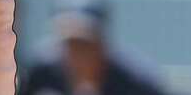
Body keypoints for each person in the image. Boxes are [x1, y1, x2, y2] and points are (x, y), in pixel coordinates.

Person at [19, 7, 166, 95]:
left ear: (101, 45)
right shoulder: (40, 74)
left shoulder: (136, 82)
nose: (76, 54)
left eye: (84, 44)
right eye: (70, 43)